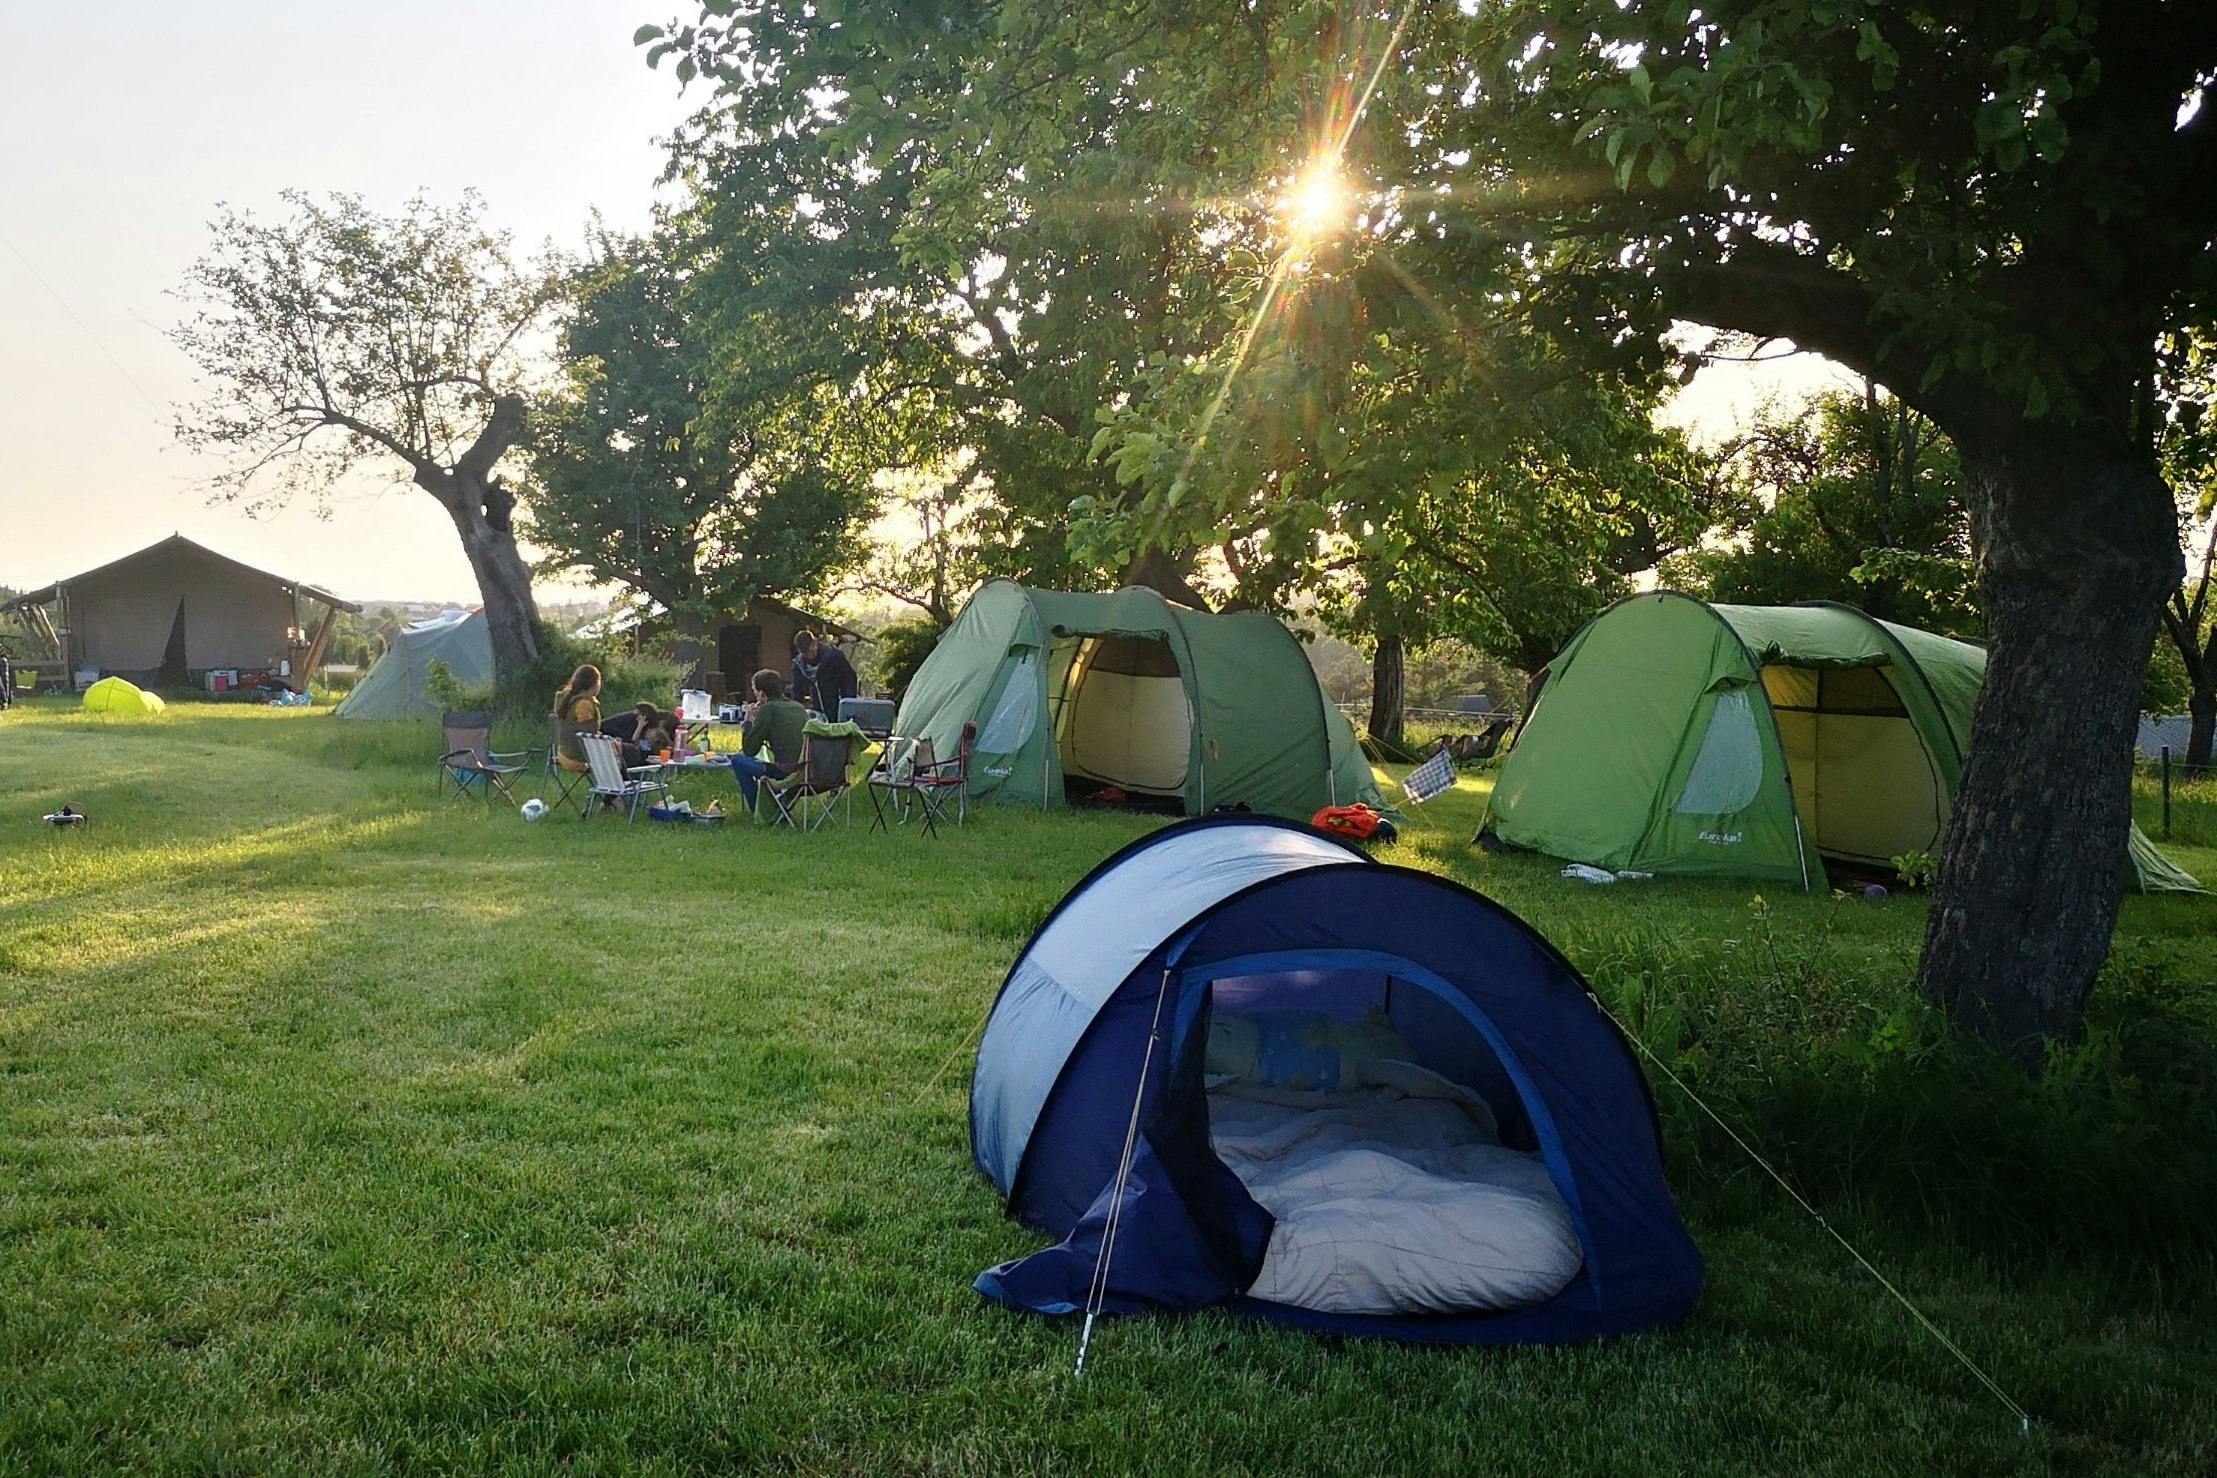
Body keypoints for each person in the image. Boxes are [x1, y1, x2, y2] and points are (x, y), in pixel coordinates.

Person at [727, 668, 808, 811]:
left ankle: (759, 809)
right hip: (808, 770)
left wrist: (748, 722)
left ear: (762, 694)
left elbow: (750, 750)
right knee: (765, 762)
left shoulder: (768, 710)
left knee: (738, 760)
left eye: (755, 692)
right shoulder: (799, 708)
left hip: (786, 772)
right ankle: (777, 804)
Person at [790, 629, 858, 722]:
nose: (810, 656)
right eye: (805, 654)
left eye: (811, 652)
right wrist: (797, 712)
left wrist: (846, 706)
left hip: (837, 708)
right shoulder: (798, 664)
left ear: (815, 643)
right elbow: (796, 690)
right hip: (817, 711)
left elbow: (849, 680)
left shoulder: (834, 656)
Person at [553, 664, 602, 771]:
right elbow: (589, 737)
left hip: (563, 752)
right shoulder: (584, 704)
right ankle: (625, 784)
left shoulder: (569, 698)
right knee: (630, 752)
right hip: (576, 757)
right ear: (594, 683)